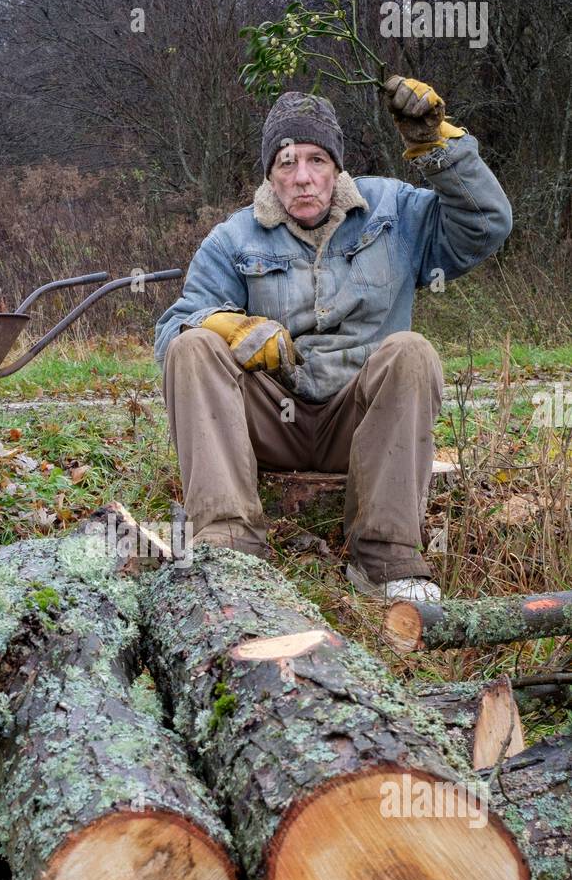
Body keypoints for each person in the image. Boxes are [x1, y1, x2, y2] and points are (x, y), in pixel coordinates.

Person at [154, 78, 513, 601]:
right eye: (286, 162)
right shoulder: (233, 238)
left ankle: (386, 559)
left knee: (411, 351)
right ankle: (229, 550)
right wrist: (226, 324)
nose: (302, 178)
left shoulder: (394, 211)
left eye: (317, 160)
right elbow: (170, 333)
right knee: (191, 346)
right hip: (273, 420)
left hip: (359, 420)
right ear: (269, 174)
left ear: (338, 165)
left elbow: (486, 225)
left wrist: (440, 148)